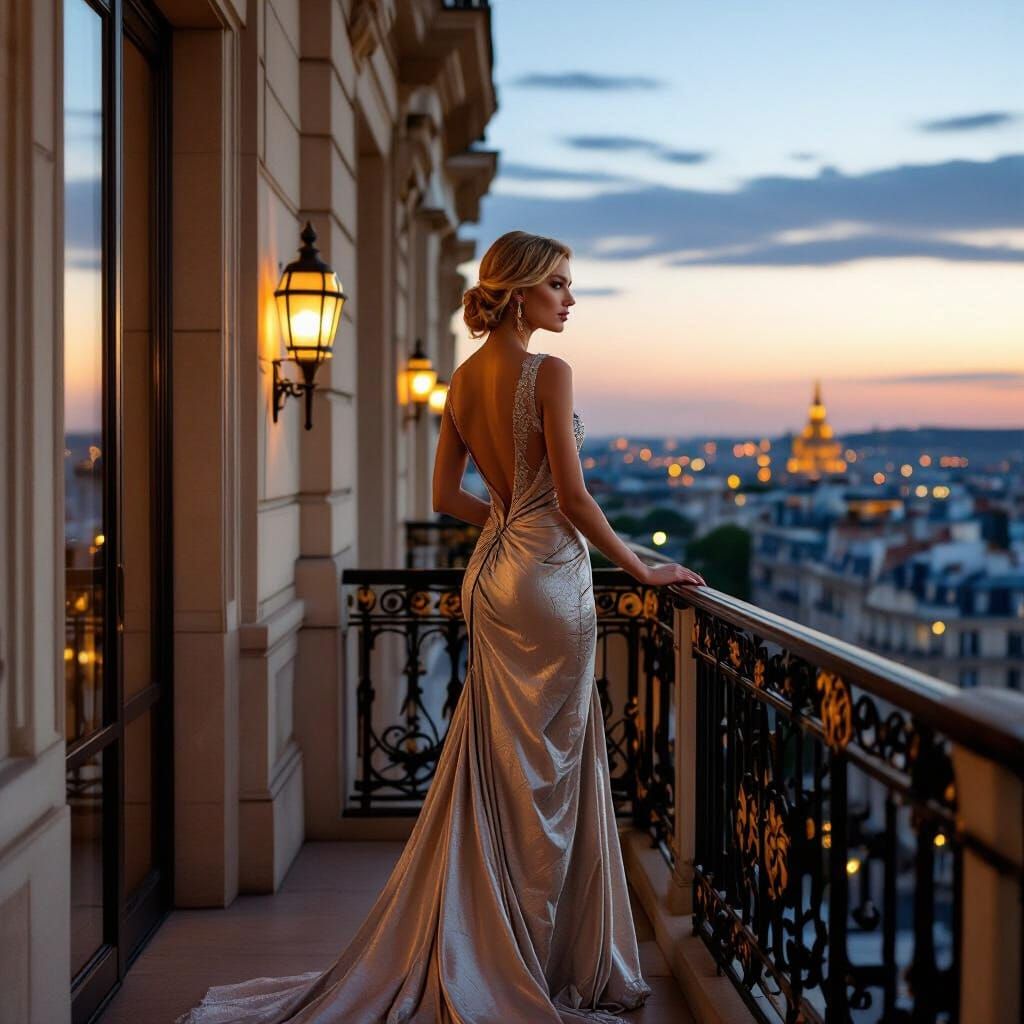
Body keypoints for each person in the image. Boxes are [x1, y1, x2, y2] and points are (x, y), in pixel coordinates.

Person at [175, 230, 706, 1024]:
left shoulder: (461, 381)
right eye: (558, 284)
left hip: (493, 574)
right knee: (551, 765)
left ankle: (493, 937)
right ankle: (537, 951)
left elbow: (443, 496)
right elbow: (572, 497)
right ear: (519, 293)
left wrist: (505, 520)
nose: (570, 299)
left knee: (500, 754)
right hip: (547, 578)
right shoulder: (549, 372)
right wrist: (641, 568)